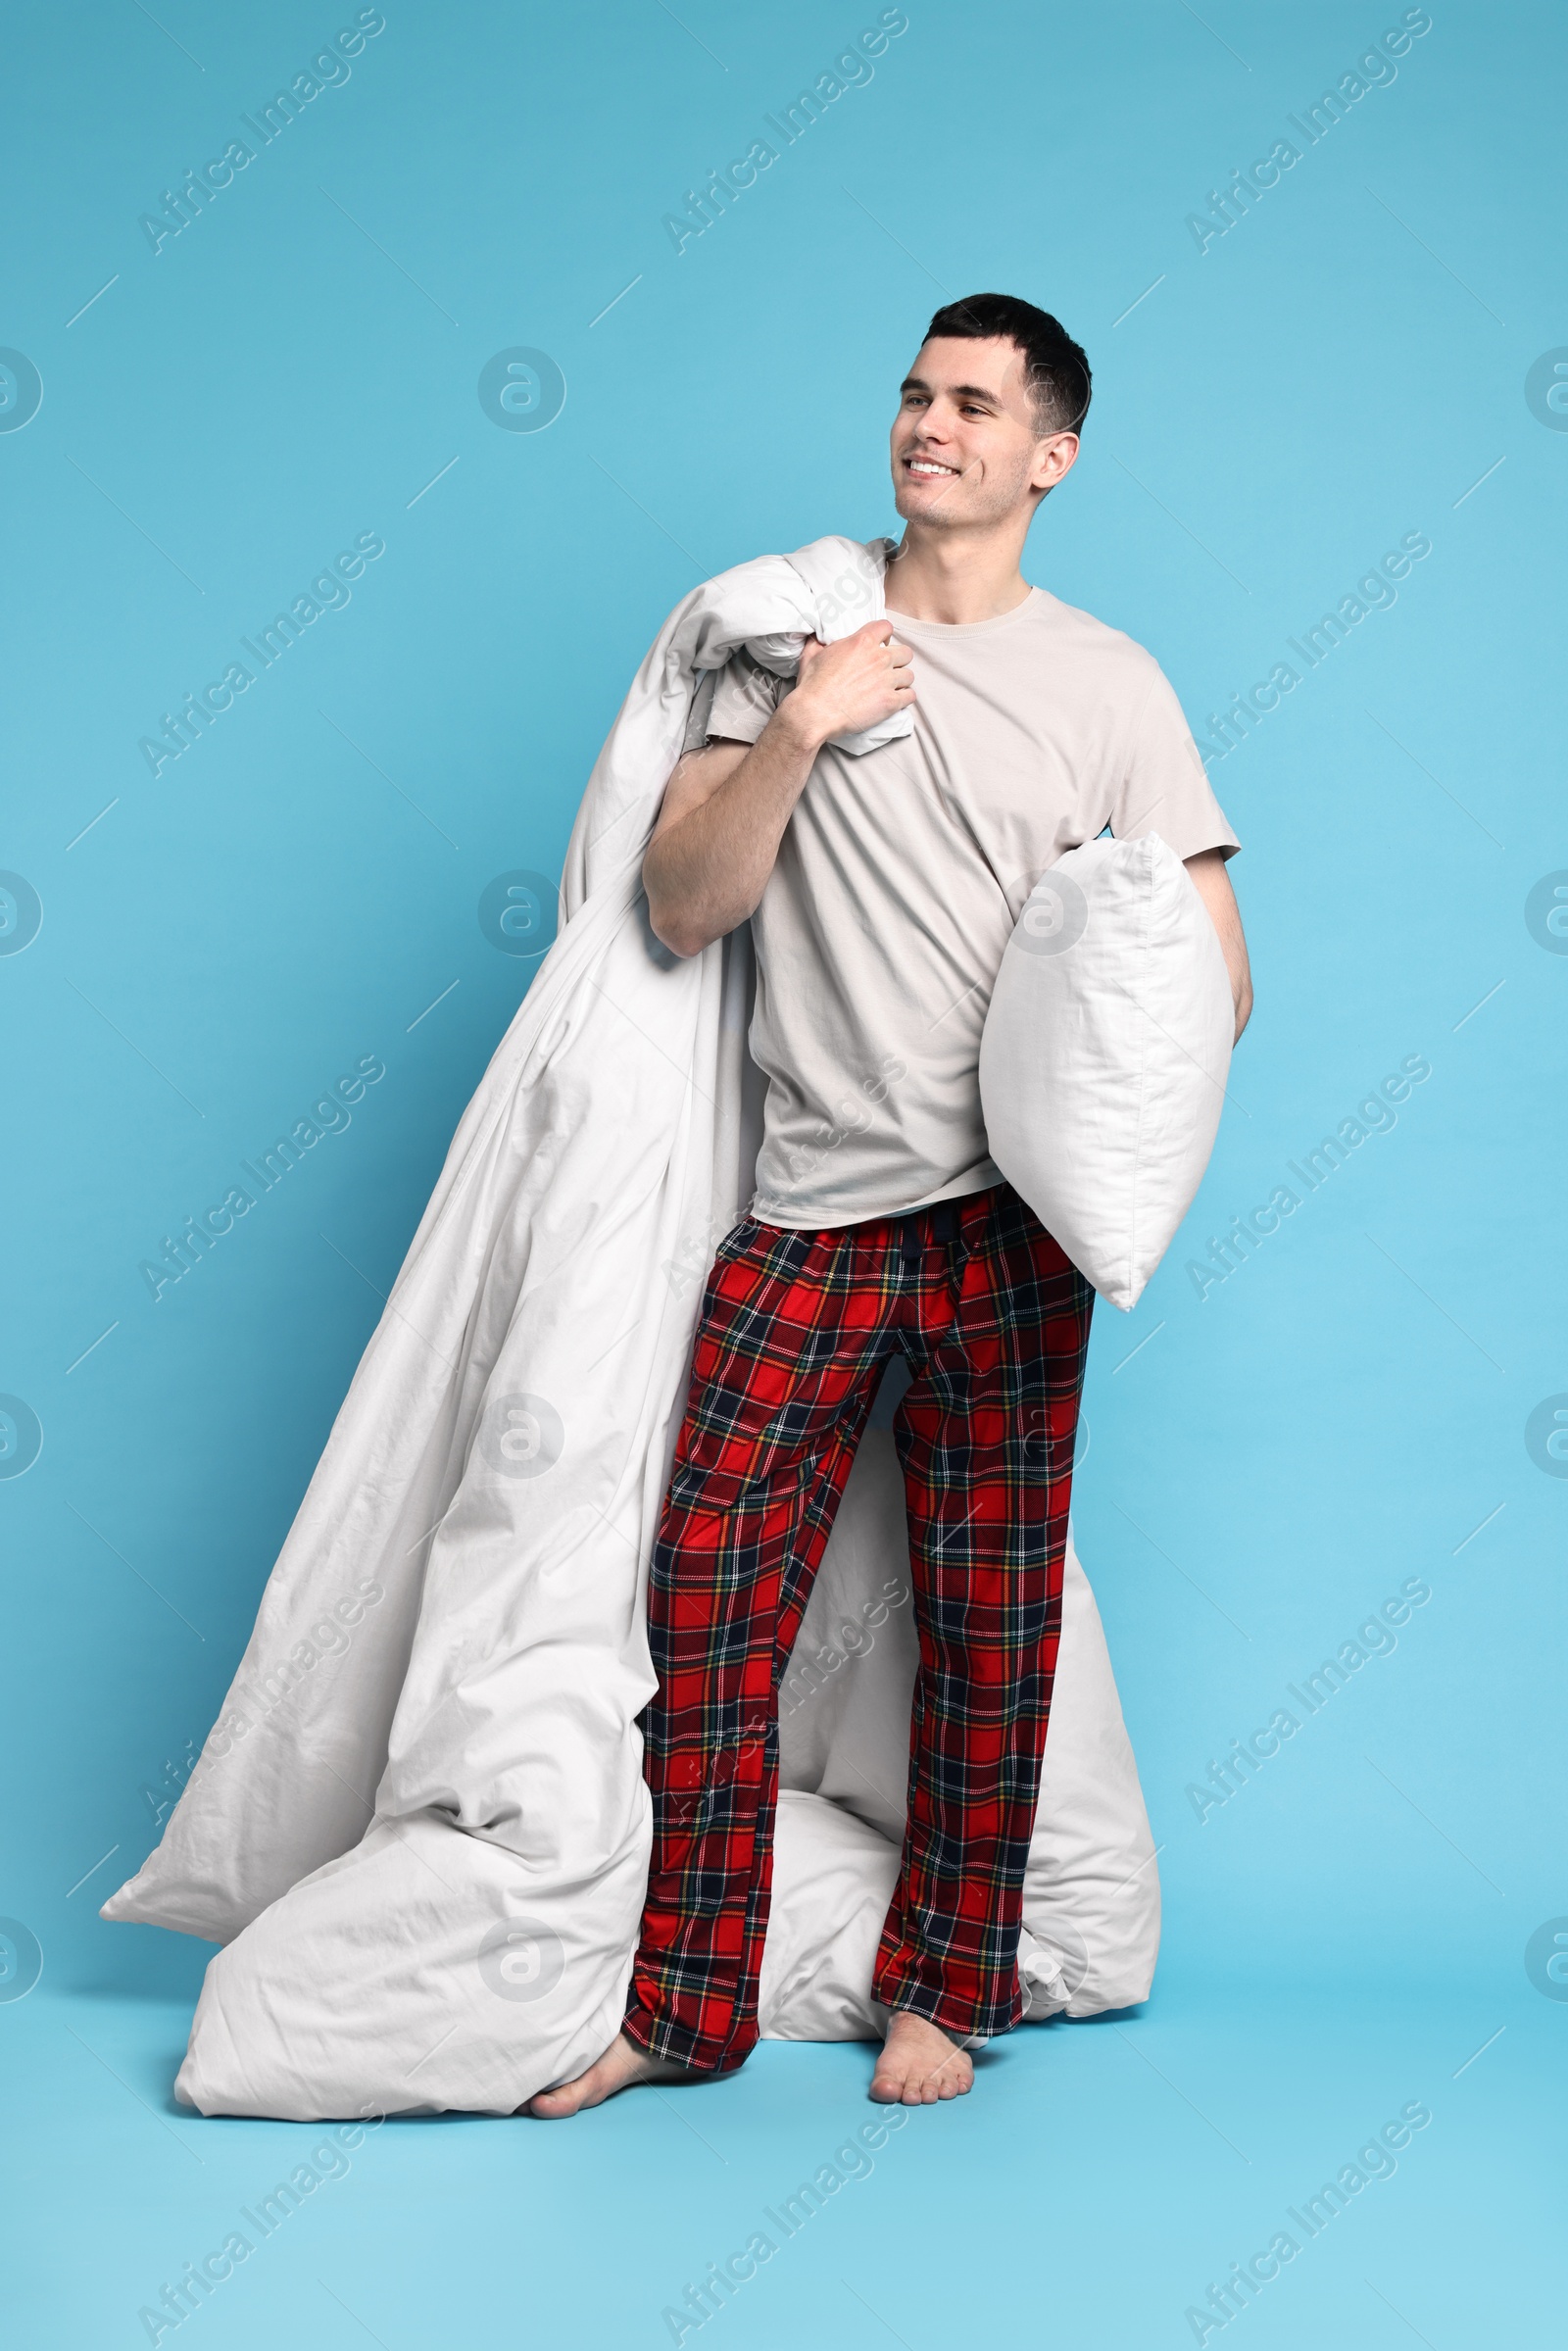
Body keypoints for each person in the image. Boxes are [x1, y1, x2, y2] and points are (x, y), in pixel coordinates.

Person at [531, 293, 1250, 2119]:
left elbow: (1213, 979)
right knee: (703, 1600)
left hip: (1006, 1231)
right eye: (918, 394)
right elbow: (681, 905)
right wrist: (803, 729)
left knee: (985, 1616)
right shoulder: (784, 634)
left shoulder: (1115, 687)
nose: (932, 426)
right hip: (805, 1212)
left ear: (1049, 454)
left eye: (976, 406)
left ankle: (952, 1987)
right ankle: (680, 2009)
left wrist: (1083, 1022)